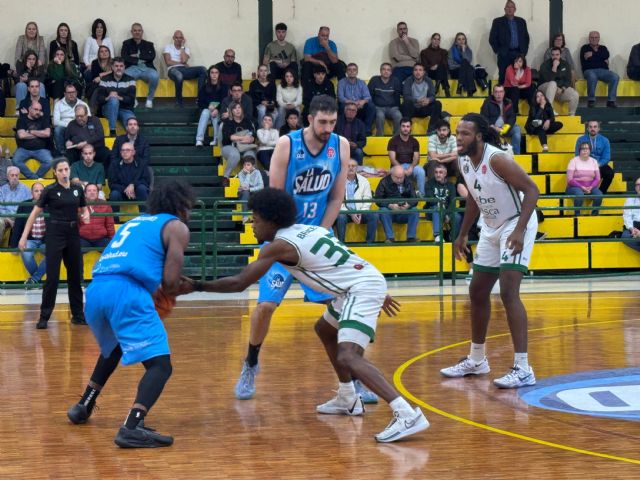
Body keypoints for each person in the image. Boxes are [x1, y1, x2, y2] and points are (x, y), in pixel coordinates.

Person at [191, 187, 428, 442]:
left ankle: (406, 414)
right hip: (362, 283)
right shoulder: (311, 229)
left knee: (347, 356)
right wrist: (375, 287)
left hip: (359, 289)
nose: (251, 224)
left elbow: (240, 282)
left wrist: (196, 285)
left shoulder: (277, 246)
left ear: (272, 221)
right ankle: (348, 397)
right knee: (325, 329)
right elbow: (347, 260)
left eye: (255, 219)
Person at [233, 95, 349, 401]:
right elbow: (274, 197)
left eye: (332, 122)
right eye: (322, 122)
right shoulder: (287, 144)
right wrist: (290, 237)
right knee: (265, 307)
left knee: (340, 307)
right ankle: (251, 363)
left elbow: (337, 198)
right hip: (284, 237)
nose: (328, 128)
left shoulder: (341, 145)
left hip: (317, 236)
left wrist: (320, 232)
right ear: (309, 119)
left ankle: (352, 375)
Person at [66, 180, 196, 448]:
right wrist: (191, 286)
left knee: (113, 348)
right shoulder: (176, 227)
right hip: (126, 293)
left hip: (97, 291)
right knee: (160, 365)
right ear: (181, 206)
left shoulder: (134, 223)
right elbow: (171, 284)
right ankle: (132, 426)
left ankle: (84, 405)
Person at [441, 113, 539, 388]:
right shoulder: (462, 160)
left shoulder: (496, 159)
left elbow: (532, 190)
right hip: (491, 225)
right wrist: (461, 234)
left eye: (465, 133)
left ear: (480, 137)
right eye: (457, 132)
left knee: (508, 291)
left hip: (517, 222)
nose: (458, 138)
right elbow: (474, 197)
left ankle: (523, 368)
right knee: (477, 291)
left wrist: (519, 231)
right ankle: (477, 359)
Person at [19, 157, 90, 329]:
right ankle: (44, 316)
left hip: (73, 233)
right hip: (55, 234)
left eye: (66, 169)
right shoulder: (49, 190)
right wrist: (23, 236)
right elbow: (34, 214)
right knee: (52, 277)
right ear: (55, 172)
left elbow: (83, 207)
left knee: (75, 276)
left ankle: (78, 315)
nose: (64, 173)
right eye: (61, 170)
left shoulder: (77, 189)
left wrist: (86, 214)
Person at [334, 158, 379, 244]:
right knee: (341, 217)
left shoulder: (364, 181)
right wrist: (351, 213)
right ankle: (341, 243)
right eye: (348, 166)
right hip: (345, 212)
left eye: (353, 166)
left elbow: (367, 198)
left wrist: (360, 212)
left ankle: (370, 242)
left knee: (374, 216)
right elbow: (337, 201)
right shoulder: (338, 181)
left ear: (357, 168)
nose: (351, 168)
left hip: (361, 212)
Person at [9, 182, 45, 285]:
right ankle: (36, 280)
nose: (39, 193)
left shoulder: (51, 205)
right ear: (32, 193)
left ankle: (34, 280)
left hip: (46, 240)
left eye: (41, 191)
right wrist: (14, 245)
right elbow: (18, 226)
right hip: (30, 239)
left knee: (54, 253)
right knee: (25, 252)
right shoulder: (24, 205)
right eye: (36, 191)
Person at [375, 165, 420, 243]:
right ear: (391, 175)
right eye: (397, 177)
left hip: (404, 212)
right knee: (383, 210)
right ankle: (390, 238)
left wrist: (408, 205)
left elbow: (415, 199)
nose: (399, 180)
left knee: (415, 210)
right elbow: (378, 199)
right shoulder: (384, 182)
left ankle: (411, 237)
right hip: (390, 212)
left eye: (401, 177)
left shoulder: (409, 182)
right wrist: (390, 205)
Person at [489, 1, 530, 85]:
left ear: (515, 9)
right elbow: (492, 39)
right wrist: (499, 51)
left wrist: (524, 52)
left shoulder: (521, 21)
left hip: (519, 53)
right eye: (507, 7)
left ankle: (516, 96)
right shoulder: (498, 21)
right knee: (503, 76)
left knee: (518, 76)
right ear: (504, 9)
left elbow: (526, 38)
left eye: (512, 7)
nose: (509, 9)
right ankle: (501, 96)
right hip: (505, 54)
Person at [162, 30, 206, 107]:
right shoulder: (168, 47)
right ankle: (179, 101)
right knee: (179, 75)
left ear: (183, 39)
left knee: (202, 69)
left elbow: (184, 60)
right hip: (172, 70)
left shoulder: (186, 49)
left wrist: (182, 47)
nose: (179, 39)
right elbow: (168, 62)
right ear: (173, 38)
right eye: (177, 38)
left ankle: (200, 98)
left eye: (181, 38)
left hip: (184, 70)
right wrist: (182, 63)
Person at [12, 102, 53, 180]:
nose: (38, 112)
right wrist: (40, 133)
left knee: (50, 161)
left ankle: (35, 177)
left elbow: (47, 134)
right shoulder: (22, 120)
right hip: (24, 149)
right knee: (15, 161)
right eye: (36, 109)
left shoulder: (44, 119)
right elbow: (21, 135)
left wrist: (31, 132)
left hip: (41, 149)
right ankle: (34, 178)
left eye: (40, 110)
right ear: (30, 109)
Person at [121, 23, 159, 109]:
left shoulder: (149, 44)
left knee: (155, 75)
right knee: (124, 76)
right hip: (132, 68)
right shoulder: (126, 43)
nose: (137, 32)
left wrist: (137, 56)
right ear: (132, 32)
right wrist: (139, 59)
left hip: (147, 68)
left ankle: (149, 99)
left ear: (142, 32)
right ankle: (133, 99)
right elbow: (124, 57)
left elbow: (152, 56)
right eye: (135, 30)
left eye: (139, 30)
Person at [97, 57, 136, 136]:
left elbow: (131, 100)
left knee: (132, 125)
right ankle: (112, 131)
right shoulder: (105, 79)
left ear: (124, 67)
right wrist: (108, 97)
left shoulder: (130, 80)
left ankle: (134, 145)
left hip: (125, 110)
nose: (119, 68)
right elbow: (99, 99)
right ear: (112, 67)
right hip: (108, 109)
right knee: (113, 100)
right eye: (116, 66)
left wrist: (119, 97)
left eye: (121, 66)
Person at [387, 117, 426, 196]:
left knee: (421, 171)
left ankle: (421, 194)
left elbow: (416, 158)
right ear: (400, 127)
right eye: (403, 126)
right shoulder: (393, 140)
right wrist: (402, 170)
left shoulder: (414, 141)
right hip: (397, 166)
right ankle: (395, 196)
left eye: (408, 126)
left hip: (410, 165)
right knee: (397, 172)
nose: (405, 128)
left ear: (410, 128)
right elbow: (392, 159)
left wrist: (411, 168)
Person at [221, 102, 257, 184]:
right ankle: (225, 177)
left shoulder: (247, 121)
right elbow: (229, 137)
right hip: (229, 146)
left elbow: (252, 137)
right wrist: (243, 138)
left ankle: (250, 180)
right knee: (235, 155)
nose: (237, 110)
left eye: (239, 107)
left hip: (245, 146)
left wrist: (249, 139)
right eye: (235, 108)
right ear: (231, 111)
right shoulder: (228, 122)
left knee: (250, 156)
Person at [580, 31, 619, 108]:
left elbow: (606, 55)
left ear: (599, 39)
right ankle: (591, 100)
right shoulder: (584, 48)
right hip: (589, 71)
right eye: (592, 37)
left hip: (603, 71)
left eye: (596, 37)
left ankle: (611, 101)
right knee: (592, 76)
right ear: (589, 39)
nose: (594, 39)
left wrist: (593, 55)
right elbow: (588, 62)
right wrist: (601, 58)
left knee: (615, 76)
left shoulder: (603, 48)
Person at [401, 63, 442, 134]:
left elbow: (432, 95)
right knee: (406, 104)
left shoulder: (428, 81)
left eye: (420, 70)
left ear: (424, 72)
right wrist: (417, 100)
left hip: (424, 108)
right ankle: (407, 129)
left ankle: (431, 129)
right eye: (415, 70)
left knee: (437, 104)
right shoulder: (408, 81)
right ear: (413, 72)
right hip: (412, 109)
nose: (418, 72)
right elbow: (406, 96)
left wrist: (428, 100)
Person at [480, 84, 522, 155]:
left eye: (501, 92)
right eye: (496, 92)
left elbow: (512, 117)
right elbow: (483, 118)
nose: (498, 94)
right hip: (493, 129)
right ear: (493, 93)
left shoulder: (508, 102)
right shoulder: (487, 102)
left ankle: (516, 154)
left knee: (517, 129)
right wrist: (493, 127)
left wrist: (505, 127)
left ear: (504, 93)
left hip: (505, 128)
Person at [108, 142, 150, 211]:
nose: (125, 152)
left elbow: (146, 180)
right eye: (123, 150)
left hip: (137, 192)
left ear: (133, 152)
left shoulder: (141, 163)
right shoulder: (114, 164)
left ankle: (145, 217)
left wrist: (133, 185)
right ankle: (114, 220)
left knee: (142, 188)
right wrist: (126, 189)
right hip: (121, 192)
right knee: (114, 194)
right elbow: (112, 184)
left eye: (127, 150)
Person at [574, 120, 613, 193]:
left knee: (609, 173)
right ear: (587, 129)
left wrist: (598, 164)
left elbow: (606, 157)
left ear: (598, 129)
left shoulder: (605, 140)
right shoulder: (580, 140)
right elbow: (577, 154)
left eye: (595, 127)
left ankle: (601, 192)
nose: (593, 129)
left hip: (599, 165)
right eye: (590, 127)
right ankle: (585, 190)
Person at [538, 47, 579, 116]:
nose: (555, 57)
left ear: (560, 55)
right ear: (551, 55)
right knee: (553, 84)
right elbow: (547, 80)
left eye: (557, 55)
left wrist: (563, 89)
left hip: (559, 89)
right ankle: (550, 110)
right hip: (544, 88)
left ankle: (572, 115)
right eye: (553, 55)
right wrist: (554, 67)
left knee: (575, 94)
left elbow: (568, 80)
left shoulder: (565, 64)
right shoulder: (544, 65)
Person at [425, 163, 460, 242]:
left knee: (457, 216)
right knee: (437, 209)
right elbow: (430, 200)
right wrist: (442, 208)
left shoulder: (451, 186)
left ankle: (453, 237)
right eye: (436, 172)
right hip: (432, 211)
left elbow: (452, 202)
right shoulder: (429, 184)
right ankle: (437, 235)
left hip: (447, 211)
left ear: (445, 174)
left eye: (440, 172)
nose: (438, 174)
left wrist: (447, 214)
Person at [565, 142, 603, 216]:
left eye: (587, 148)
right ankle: (577, 215)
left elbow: (597, 179)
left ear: (590, 150)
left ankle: (594, 215)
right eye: (583, 149)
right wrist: (582, 187)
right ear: (579, 150)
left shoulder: (594, 161)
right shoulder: (573, 161)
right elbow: (569, 179)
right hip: (574, 187)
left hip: (590, 187)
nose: (585, 150)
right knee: (579, 194)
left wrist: (591, 187)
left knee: (599, 195)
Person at [337, 63, 375, 135]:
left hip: (359, 106)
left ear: (357, 72)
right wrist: (353, 103)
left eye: (354, 70)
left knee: (371, 106)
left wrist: (363, 101)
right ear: (346, 72)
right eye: (349, 70)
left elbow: (368, 97)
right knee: (341, 106)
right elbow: (340, 97)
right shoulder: (341, 82)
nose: (352, 71)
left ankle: (366, 130)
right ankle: (343, 130)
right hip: (347, 105)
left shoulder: (362, 83)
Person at [195, 65, 228, 147]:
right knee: (205, 112)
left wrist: (217, 109)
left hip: (219, 111)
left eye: (216, 72)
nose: (214, 74)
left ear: (219, 74)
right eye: (212, 72)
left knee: (215, 114)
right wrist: (208, 106)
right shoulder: (204, 87)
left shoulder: (224, 87)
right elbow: (200, 102)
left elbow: (224, 101)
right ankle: (199, 140)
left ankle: (216, 139)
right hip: (207, 111)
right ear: (209, 74)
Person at [53, 84, 90, 156]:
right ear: (65, 94)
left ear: (76, 93)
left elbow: (89, 118)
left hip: (79, 125)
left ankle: (84, 150)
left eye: (73, 92)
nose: (71, 94)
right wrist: (70, 124)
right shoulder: (58, 104)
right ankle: (62, 153)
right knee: (57, 130)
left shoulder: (83, 104)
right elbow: (56, 122)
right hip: (65, 127)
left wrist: (76, 124)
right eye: (69, 93)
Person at [448, 32, 489, 97]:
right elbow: (450, 65)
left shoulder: (468, 50)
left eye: (463, 39)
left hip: (465, 73)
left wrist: (464, 51)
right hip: (455, 72)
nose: (461, 41)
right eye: (459, 39)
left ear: (465, 40)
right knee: (467, 66)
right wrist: (462, 67)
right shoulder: (451, 50)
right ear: (456, 41)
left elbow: (468, 61)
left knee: (468, 65)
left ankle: (461, 85)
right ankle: (471, 90)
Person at [368, 63, 403, 136]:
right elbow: (369, 95)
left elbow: (397, 96)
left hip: (392, 108)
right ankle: (380, 137)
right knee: (380, 116)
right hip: (378, 107)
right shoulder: (374, 80)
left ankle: (397, 138)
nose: (386, 71)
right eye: (384, 69)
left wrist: (397, 107)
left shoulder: (395, 80)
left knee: (398, 116)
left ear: (391, 72)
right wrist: (373, 107)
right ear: (380, 71)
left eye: (388, 70)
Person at [0, 166, 32, 241]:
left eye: (16, 175)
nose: (14, 177)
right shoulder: (2, 190)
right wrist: (8, 219)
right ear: (8, 177)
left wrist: (18, 218)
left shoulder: (26, 190)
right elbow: (0, 207)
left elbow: (28, 207)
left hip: (20, 216)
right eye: (12, 175)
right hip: (5, 217)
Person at [79, 183, 115, 248]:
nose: (92, 192)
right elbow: (76, 224)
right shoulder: (79, 205)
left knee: (110, 248)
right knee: (75, 248)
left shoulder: (105, 205)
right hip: (83, 238)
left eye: (94, 190)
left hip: (101, 239)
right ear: (85, 194)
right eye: (89, 190)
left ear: (98, 193)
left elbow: (110, 225)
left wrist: (112, 240)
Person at [420, 33, 450, 97]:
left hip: (440, 71)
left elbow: (445, 64)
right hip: (430, 73)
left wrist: (437, 66)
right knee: (442, 70)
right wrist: (431, 67)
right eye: (435, 39)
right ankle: (446, 90)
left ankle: (437, 86)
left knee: (441, 67)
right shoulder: (424, 52)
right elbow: (424, 65)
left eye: (438, 39)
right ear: (431, 40)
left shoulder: (444, 52)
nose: (436, 41)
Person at [86, 46, 113, 111]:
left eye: (106, 51)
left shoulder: (114, 62)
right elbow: (95, 77)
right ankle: (92, 110)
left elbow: (115, 74)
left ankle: (92, 110)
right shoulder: (95, 62)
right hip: (98, 84)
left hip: (111, 83)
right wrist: (110, 72)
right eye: (101, 51)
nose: (104, 53)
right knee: (96, 90)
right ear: (98, 54)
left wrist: (102, 75)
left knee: (98, 89)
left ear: (109, 53)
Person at [622, 177, 640, 252]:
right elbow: (627, 216)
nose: (639, 187)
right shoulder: (630, 199)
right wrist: (631, 228)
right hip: (634, 226)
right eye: (638, 185)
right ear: (635, 187)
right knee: (625, 237)